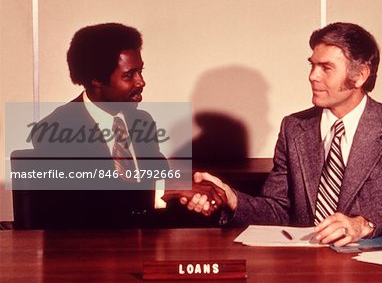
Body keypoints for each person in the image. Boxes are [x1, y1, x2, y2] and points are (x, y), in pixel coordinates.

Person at [182, 22, 382, 247]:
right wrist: (231, 197)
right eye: (312, 65)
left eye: (326, 68)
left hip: (368, 267)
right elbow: (278, 210)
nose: (313, 76)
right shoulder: (294, 127)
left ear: (360, 75)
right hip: (303, 265)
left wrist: (362, 224)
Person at [12, 23, 225, 229]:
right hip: (86, 256)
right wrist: (170, 189)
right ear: (96, 79)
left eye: (141, 71)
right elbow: (89, 204)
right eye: (129, 75)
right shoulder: (53, 130)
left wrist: (196, 195)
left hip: (146, 249)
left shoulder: (142, 121)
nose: (141, 82)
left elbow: (159, 181)